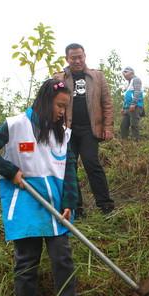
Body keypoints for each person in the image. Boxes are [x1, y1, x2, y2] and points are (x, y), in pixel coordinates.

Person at [0, 79, 78, 296]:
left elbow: (69, 171)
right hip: (24, 201)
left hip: (55, 203)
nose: (62, 113)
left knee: (62, 258)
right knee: (26, 261)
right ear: (45, 101)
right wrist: (10, 171)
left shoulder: (62, 134)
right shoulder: (15, 125)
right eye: (59, 106)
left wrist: (69, 201)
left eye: (65, 108)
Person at [54, 43, 114, 216]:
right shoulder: (59, 78)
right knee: (68, 166)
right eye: (73, 58)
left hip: (90, 128)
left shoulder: (97, 76)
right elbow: (53, 101)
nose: (77, 60)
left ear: (85, 56)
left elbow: (107, 102)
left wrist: (108, 126)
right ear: (67, 59)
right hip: (67, 130)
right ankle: (75, 207)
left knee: (91, 163)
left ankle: (105, 204)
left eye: (80, 56)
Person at [120, 67, 144, 140]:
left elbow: (137, 92)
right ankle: (124, 142)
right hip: (128, 107)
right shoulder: (129, 83)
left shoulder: (136, 80)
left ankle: (136, 142)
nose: (124, 74)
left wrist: (133, 104)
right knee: (123, 125)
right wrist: (123, 107)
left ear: (132, 72)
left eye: (126, 72)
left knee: (134, 125)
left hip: (135, 107)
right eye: (123, 72)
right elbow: (127, 96)